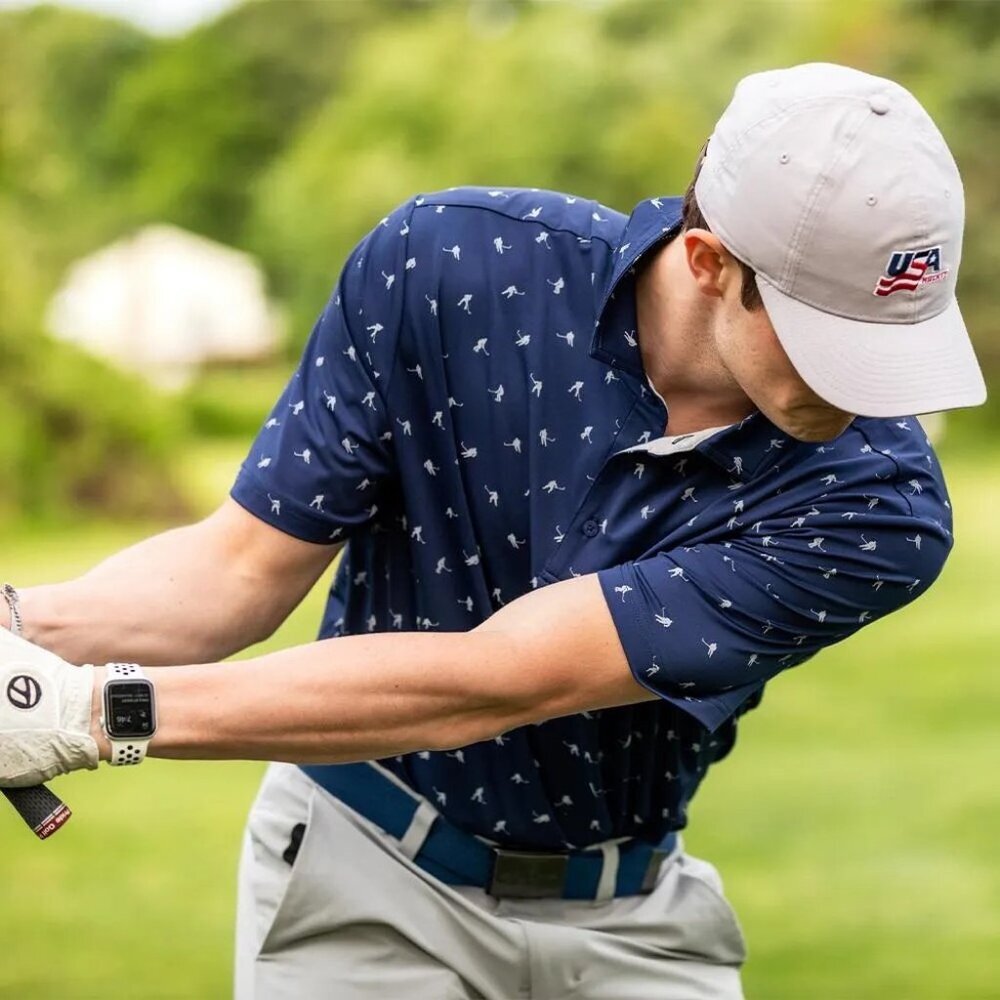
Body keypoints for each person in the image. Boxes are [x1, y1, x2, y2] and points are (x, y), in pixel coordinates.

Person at [0, 62, 987, 1000]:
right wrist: (17, 628)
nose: (864, 392)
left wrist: (96, 713)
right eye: (830, 339)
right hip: (361, 879)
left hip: (636, 921)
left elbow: (502, 678)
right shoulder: (448, 266)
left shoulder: (878, 504)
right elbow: (236, 572)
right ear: (709, 261)